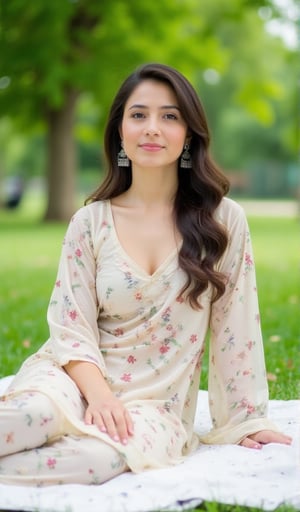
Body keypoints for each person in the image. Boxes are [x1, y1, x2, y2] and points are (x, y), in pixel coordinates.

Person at [0, 63, 291, 486]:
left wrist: (246, 420)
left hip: (156, 405)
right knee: (29, 419)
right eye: (138, 115)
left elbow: (237, 330)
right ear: (120, 130)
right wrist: (98, 398)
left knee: (95, 459)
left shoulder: (224, 223)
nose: (152, 127)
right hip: (73, 378)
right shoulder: (90, 222)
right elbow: (71, 327)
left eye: (169, 116)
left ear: (189, 133)